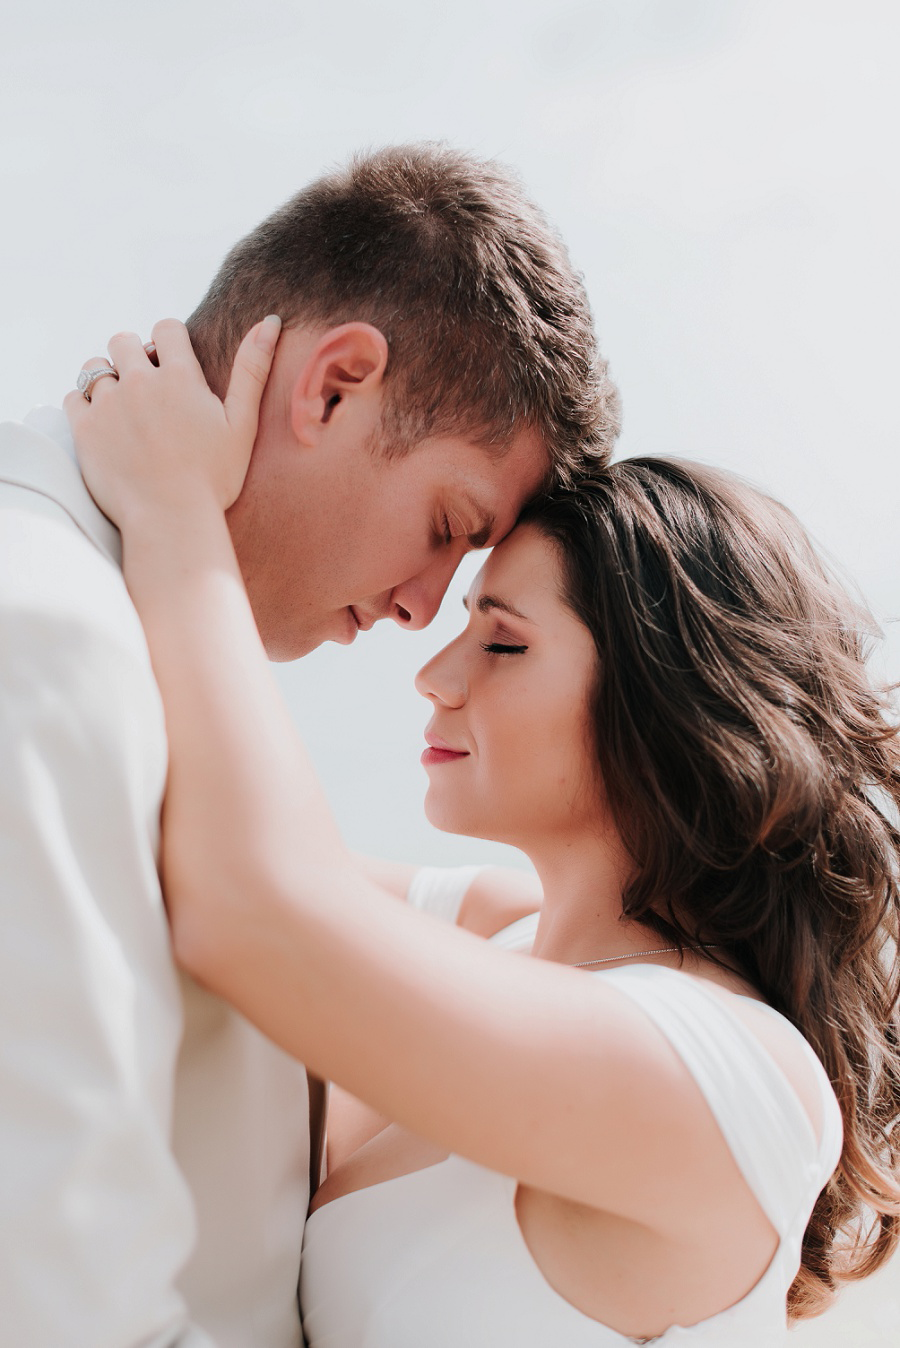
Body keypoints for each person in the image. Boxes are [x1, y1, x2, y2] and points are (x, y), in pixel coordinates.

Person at [69, 328, 900, 1345]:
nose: (436, 673)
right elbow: (197, 830)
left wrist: (176, 510)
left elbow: (257, 906)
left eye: (504, 641)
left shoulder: (730, 1077)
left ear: (667, 703)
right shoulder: (508, 939)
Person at [0, 145, 618, 1348]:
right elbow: (52, 1290)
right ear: (334, 388)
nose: (419, 613)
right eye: (447, 528)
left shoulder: (146, 636)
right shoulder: (45, 638)